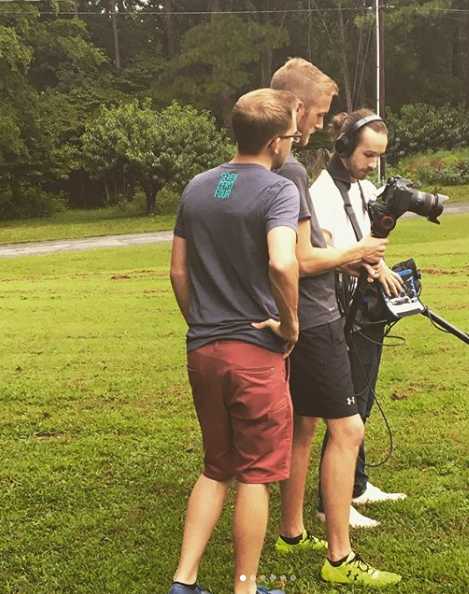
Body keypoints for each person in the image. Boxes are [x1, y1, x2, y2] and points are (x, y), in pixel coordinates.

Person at [270, 58, 401, 586]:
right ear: (297, 108)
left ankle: (292, 531)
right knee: (347, 429)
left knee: (303, 425)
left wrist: (341, 258)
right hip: (315, 318)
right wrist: (356, 253)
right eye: (321, 114)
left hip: (293, 316)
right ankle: (340, 558)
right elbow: (298, 260)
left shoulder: (250, 169)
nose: (322, 124)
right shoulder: (293, 172)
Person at [168, 88, 302, 594]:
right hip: (255, 354)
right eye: (292, 137)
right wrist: (290, 326)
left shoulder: (198, 187)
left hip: (202, 351)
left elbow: (178, 271)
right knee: (255, 475)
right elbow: (283, 262)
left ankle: (184, 582)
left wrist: (203, 321)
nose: (292, 145)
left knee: (215, 467)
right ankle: (245, 588)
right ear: (274, 142)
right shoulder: (278, 190)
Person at [310, 109, 408, 530]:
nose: (373, 164)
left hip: (366, 308)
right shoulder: (321, 195)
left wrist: (380, 267)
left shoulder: (363, 187)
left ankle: (356, 485)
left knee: (362, 399)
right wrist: (363, 262)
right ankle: (329, 502)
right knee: (345, 407)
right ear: (344, 146)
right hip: (337, 312)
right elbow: (322, 256)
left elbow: (368, 243)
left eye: (379, 156)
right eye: (368, 155)